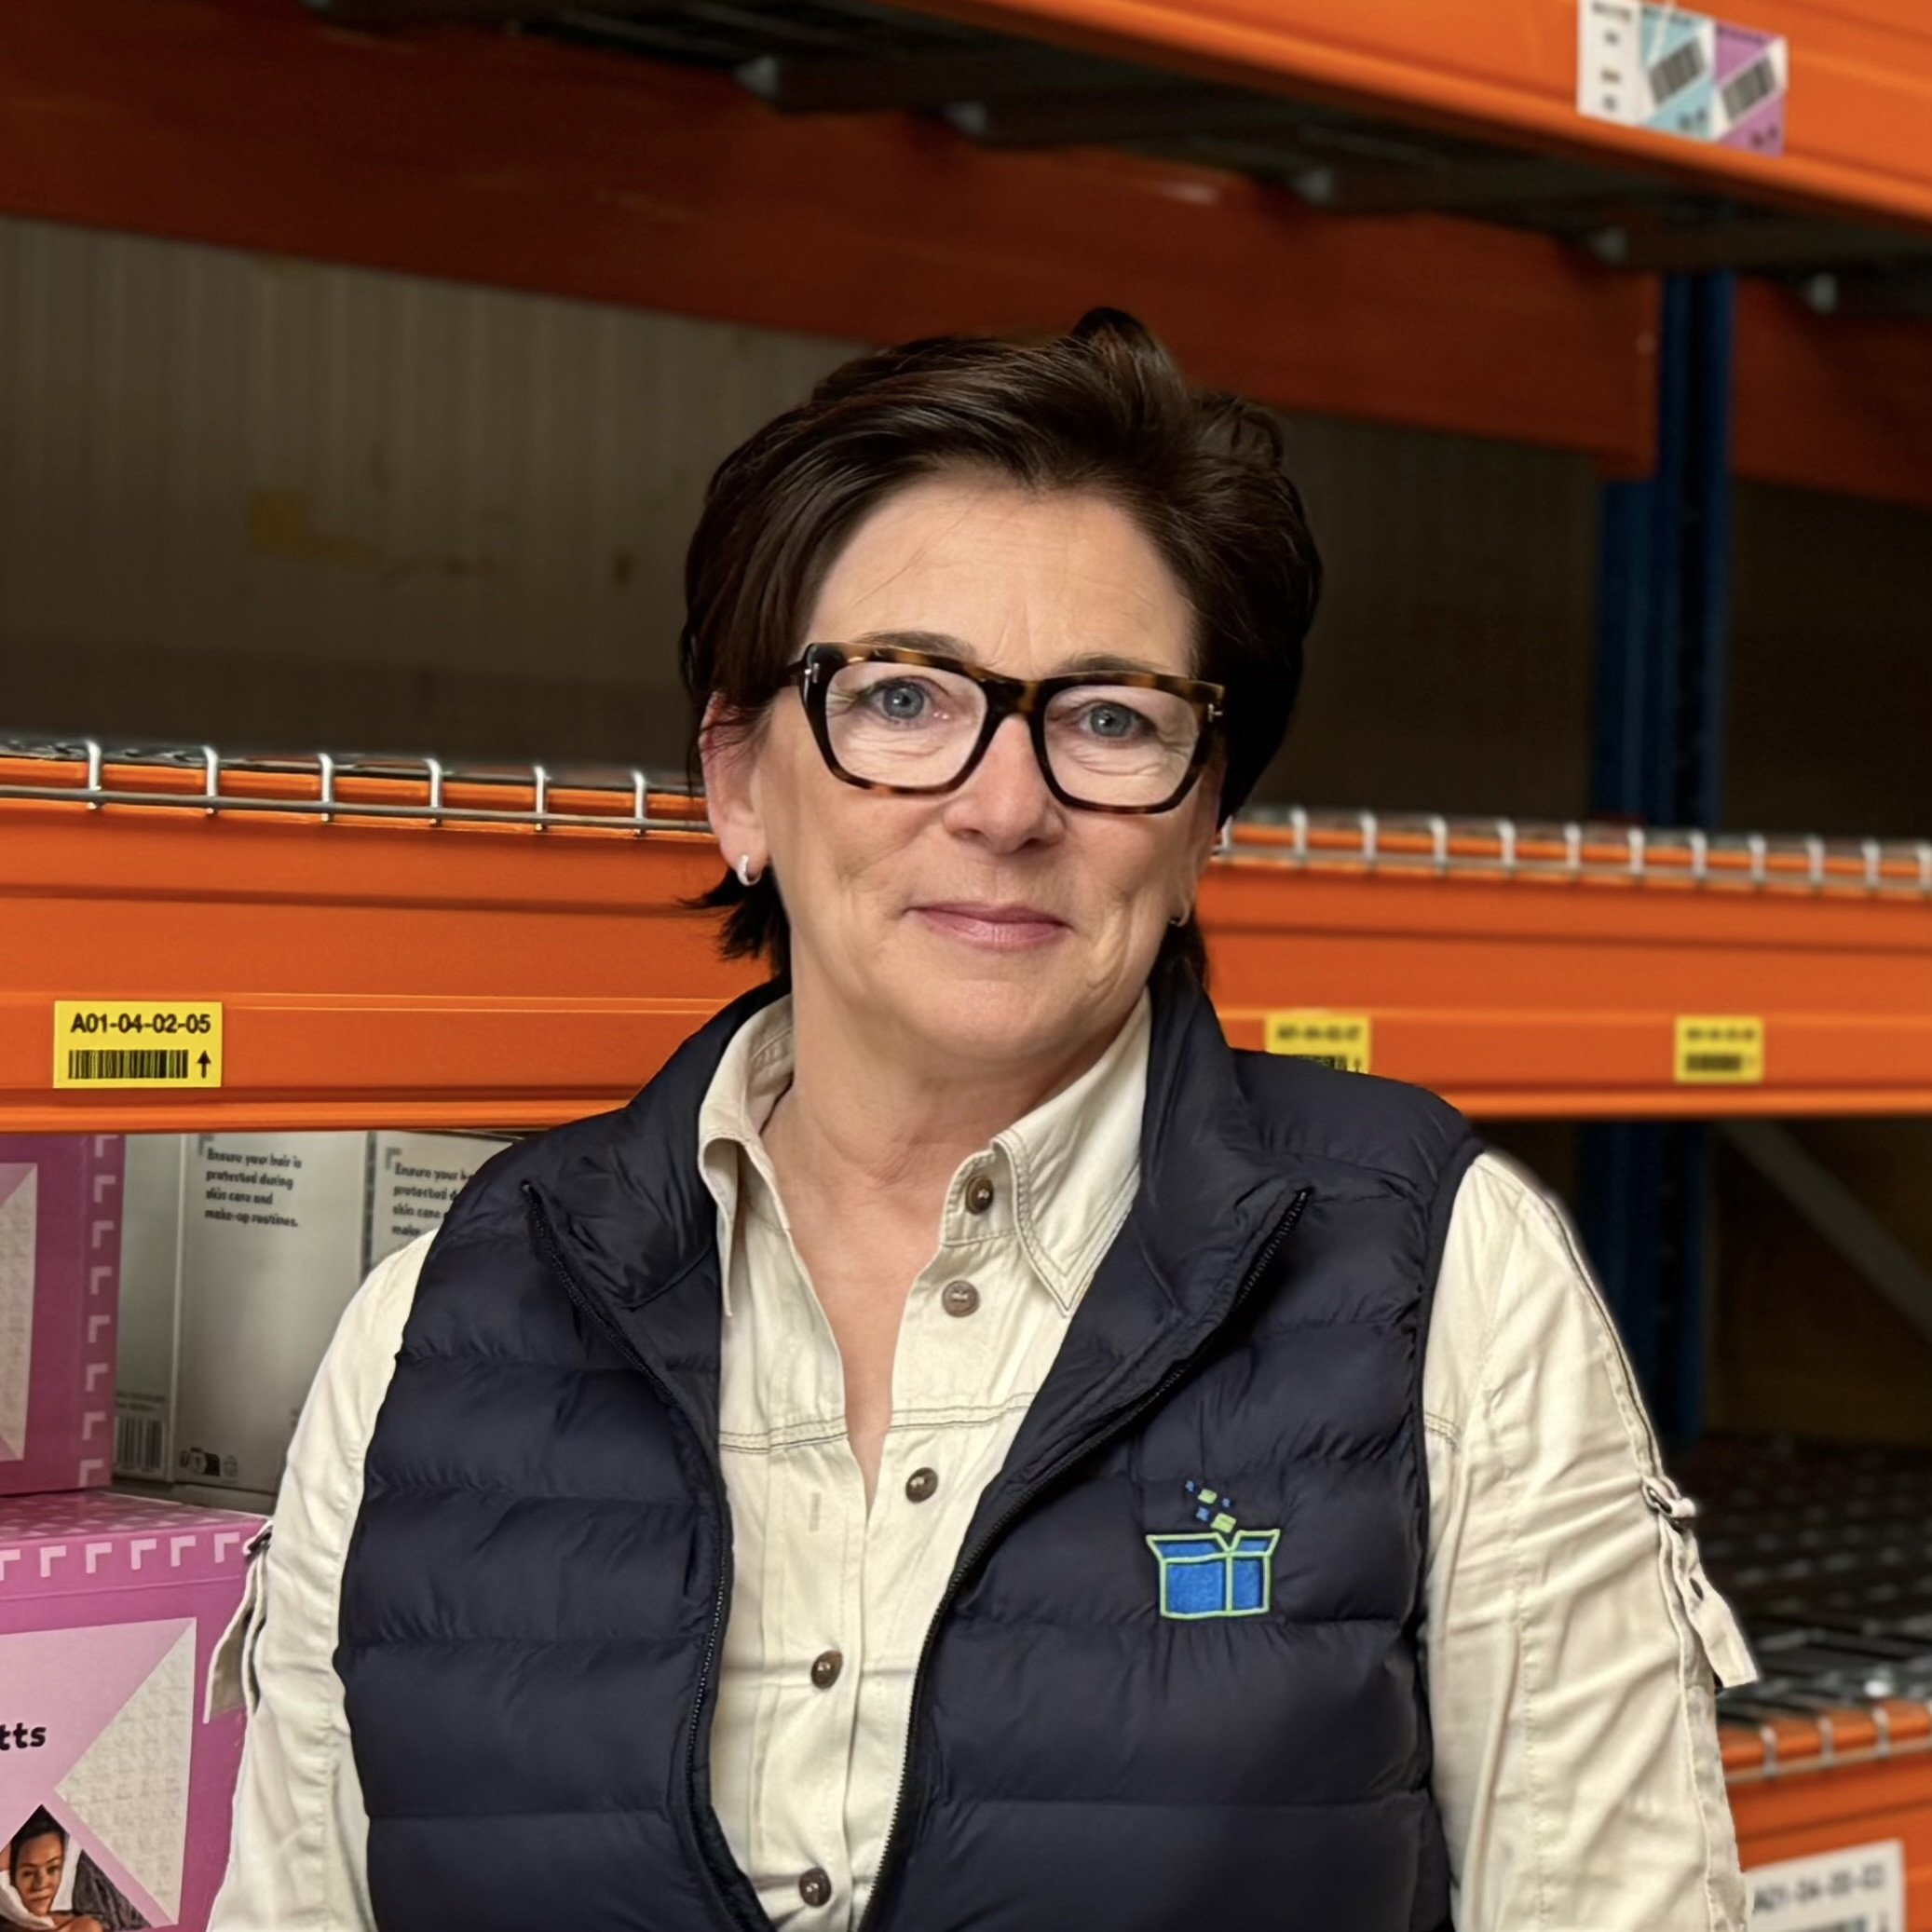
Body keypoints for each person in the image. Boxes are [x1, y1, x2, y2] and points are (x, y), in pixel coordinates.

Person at [209, 308, 1756, 1932]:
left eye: (1109, 719)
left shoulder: (1441, 1283)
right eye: (899, 697)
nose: (1005, 805)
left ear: (1201, 816)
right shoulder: (436, 1328)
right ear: (738, 779)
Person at [5, 1813, 106, 1932]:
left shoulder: (83, 1928)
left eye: (52, 1869)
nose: (41, 1884)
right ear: (12, 1877)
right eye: (28, 1873)